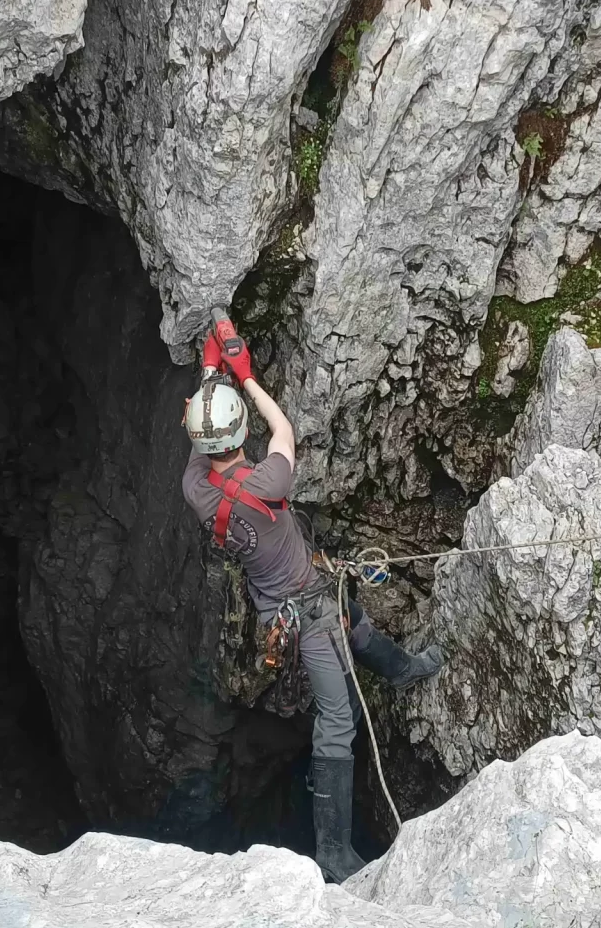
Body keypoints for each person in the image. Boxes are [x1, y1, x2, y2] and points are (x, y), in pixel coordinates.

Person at [179, 328, 442, 882]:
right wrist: (243, 375)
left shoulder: (195, 489)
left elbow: (204, 443)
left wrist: (209, 377)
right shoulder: (269, 480)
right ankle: (333, 850)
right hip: (306, 616)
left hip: (287, 600)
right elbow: (283, 429)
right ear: (239, 433)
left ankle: (403, 672)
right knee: (338, 720)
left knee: (358, 623)